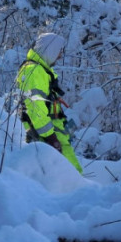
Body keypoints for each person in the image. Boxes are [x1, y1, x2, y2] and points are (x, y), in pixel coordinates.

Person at [16, 33, 83, 173]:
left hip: (51, 133)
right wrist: (51, 138)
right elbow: (35, 106)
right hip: (46, 136)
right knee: (69, 176)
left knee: (68, 175)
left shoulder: (39, 70)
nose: (60, 55)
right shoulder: (35, 71)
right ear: (50, 50)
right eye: (59, 51)